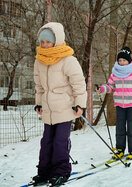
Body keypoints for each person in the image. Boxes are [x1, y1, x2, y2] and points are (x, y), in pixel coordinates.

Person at [33, 22, 87, 186]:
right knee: (46, 141)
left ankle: (60, 172)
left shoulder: (68, 60)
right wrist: (38, 103)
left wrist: (80, 104)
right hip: (48, 110)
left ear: (56, 41)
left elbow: (78, 83)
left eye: (48, 42)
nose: (45, 45)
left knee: (60, 141)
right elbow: (39, 86)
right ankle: (44, 172)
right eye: (42, 42)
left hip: (64, 108)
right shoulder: (39, 61)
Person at [96, 46, 132, 160]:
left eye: (124, 60)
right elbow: (110, 86)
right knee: (119, 127)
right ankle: (120, 149)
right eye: (120, 60)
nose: (122, 62)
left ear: (129, 60)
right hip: (119, 103)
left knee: (131, 127)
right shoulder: (115, 72)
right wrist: (102, 89)